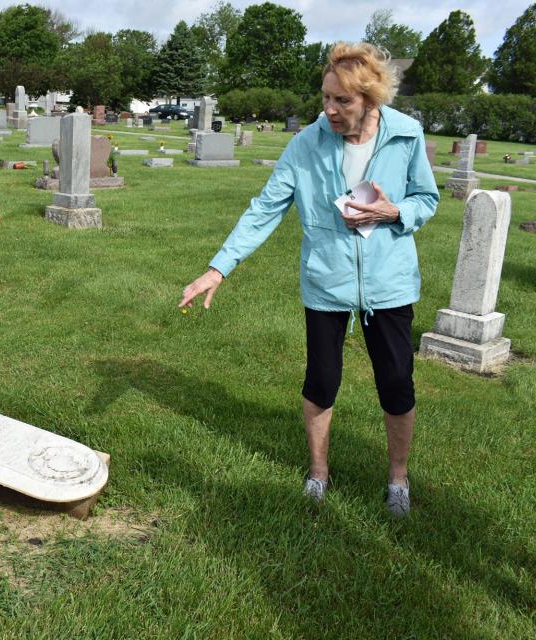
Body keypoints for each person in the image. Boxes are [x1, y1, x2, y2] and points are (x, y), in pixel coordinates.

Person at [178, 42, 439, 517]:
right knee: (321, 381)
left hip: (389, 281)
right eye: (326, 97)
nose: (329, 110)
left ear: (371, 99)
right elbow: (265, 208)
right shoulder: (307, 143)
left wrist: (393, 211)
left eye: (343, 101)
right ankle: (318, 472)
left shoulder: (407, 136)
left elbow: (427, 197)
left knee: (397, 383)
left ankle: (398, 478)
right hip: (327, 281)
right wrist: (219, 267)